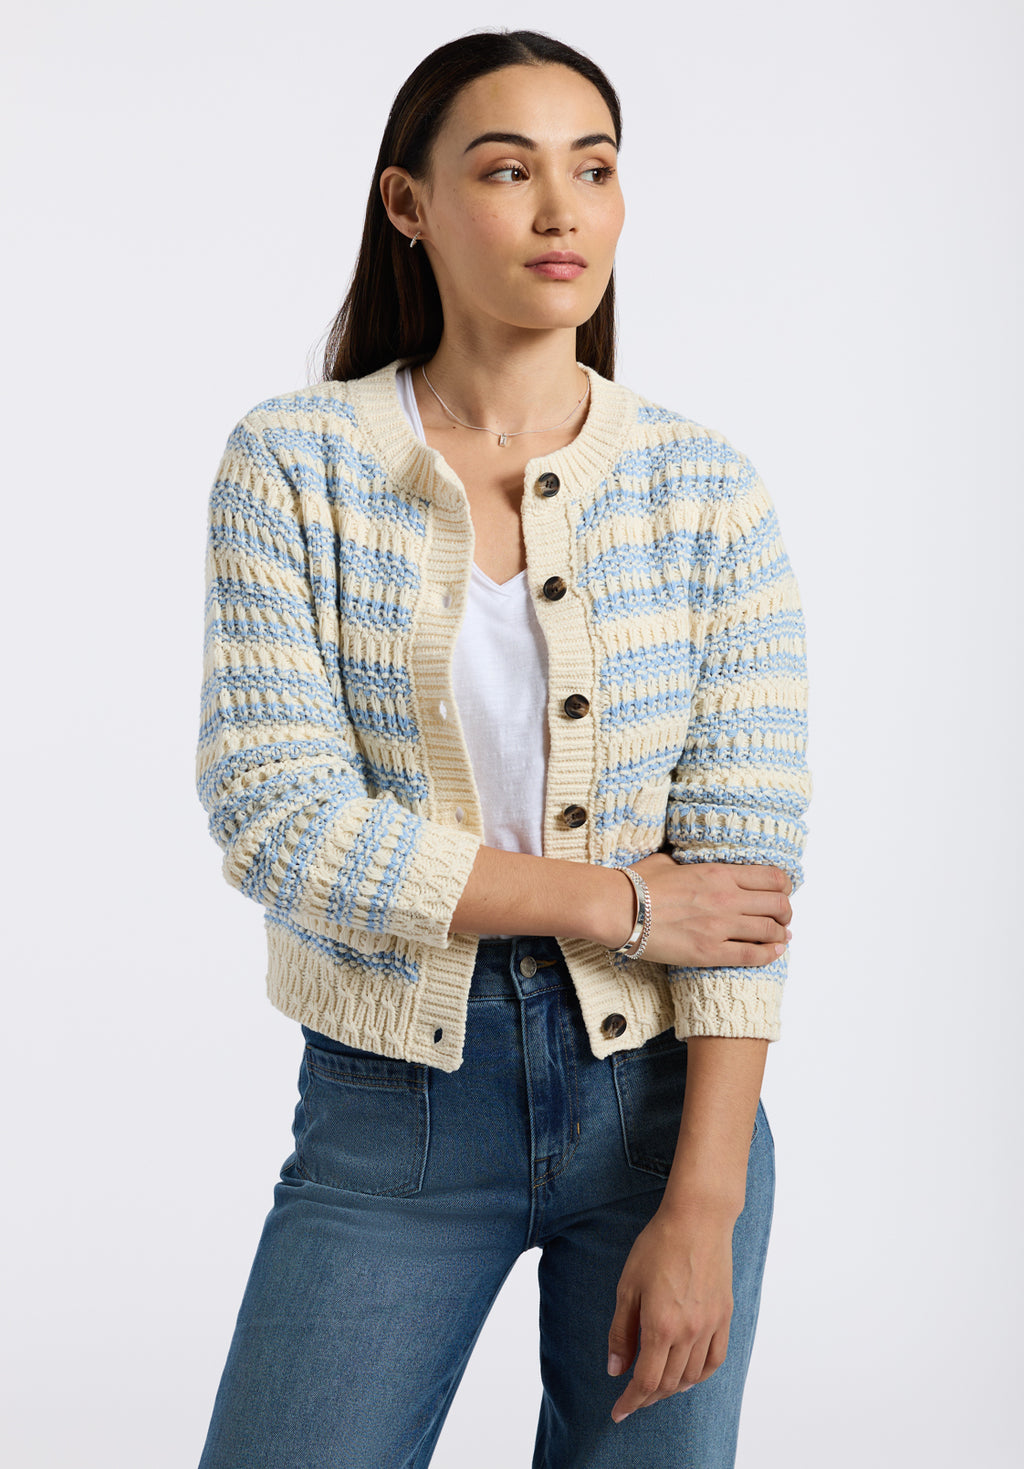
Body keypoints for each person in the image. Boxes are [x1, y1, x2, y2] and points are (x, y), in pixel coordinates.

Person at [193, 28, 811, 1469]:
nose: (560, 211)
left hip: (664, 1105)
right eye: (508, 169)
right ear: (408, 203)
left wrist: (705, 1203)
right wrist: (621, 902)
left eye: (593, 169)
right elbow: (280, 819)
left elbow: (745, 879)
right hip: (392, 1105)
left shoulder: (705, 491)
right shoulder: (295, 463)